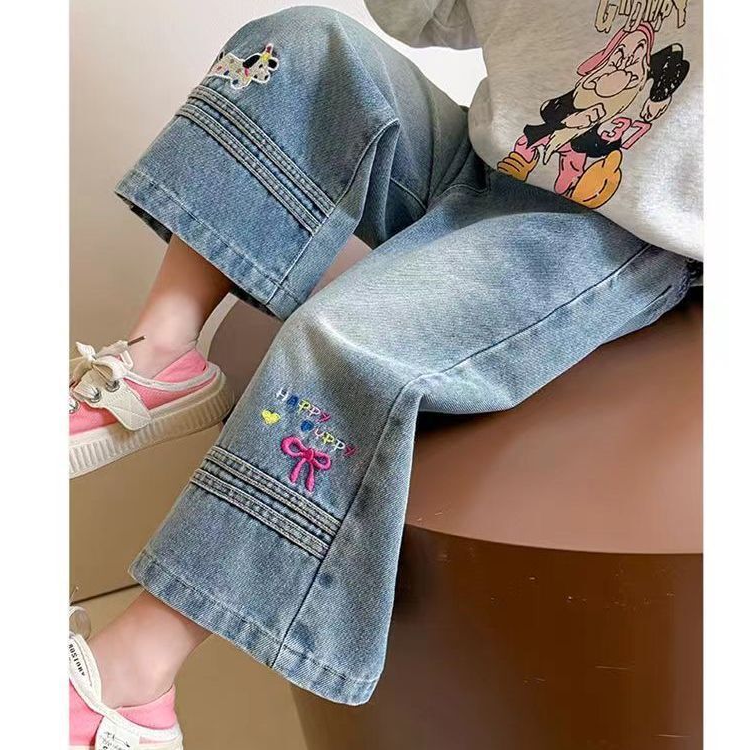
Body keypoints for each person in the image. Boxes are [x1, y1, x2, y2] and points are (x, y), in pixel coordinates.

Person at [68, 2, 702, 747]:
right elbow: (429, 17)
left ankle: (133, 682)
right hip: (487, 158)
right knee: (298, 46)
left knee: (338, 342)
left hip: (615, 228)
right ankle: (162, 353)